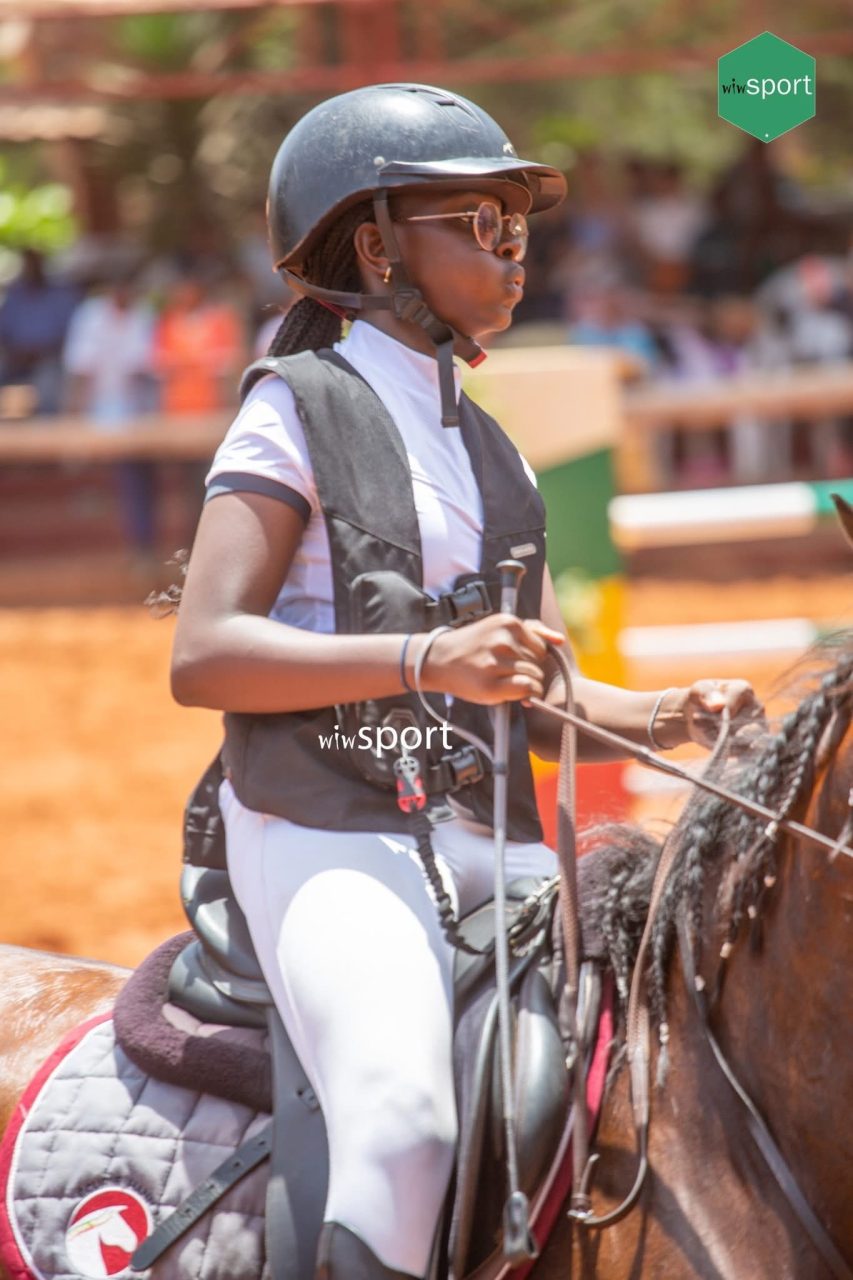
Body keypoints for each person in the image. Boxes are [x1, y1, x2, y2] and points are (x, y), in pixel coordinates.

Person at [170, 83, 760, 1280]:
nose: (512, 252)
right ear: (377, 248)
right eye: (480, 224)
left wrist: (670, 716)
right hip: (325, 829)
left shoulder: (495, 454)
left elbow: (541, 698)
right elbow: (204, 652)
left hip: (492, 844)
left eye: (519, 227)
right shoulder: (293, 410)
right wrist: (422, 657)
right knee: (405, 1124)